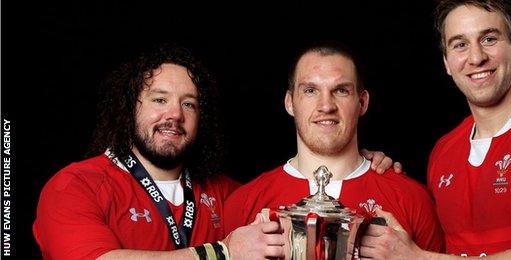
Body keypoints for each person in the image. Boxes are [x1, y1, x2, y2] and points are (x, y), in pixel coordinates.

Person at [362, 0, 511, 259]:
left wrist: (418, 258)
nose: (476, 58)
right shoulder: (445, 151)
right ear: (447, 62)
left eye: (489, 39)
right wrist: (372, 170)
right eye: (460, 45)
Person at [32, 44, 286, 259]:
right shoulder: (75, 185)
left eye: (188, 104)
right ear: (130, 108)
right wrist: (221, 252)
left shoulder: (226, 192)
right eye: (160, 100)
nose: (175, 114)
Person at [222, 42, 445, 256]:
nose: (326, 106)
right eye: (310, 90)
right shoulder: (243, 203)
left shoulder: (412, 198)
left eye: (341, 90)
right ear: (290, 103)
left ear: (362, 102)